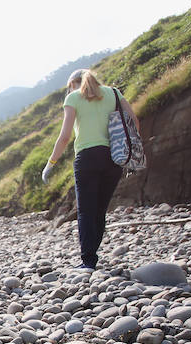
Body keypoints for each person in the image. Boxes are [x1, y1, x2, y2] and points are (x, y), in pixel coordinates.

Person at [42, 68, 139, 271]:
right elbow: (134, 123)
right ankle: (92, 257)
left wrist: (51, 163)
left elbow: (65, 136)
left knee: (86, 211)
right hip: (114, 157)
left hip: (87, 158)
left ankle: (88, 261)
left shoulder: (74, 98)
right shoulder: (113, 93)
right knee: (99, 211)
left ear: (72, 85)